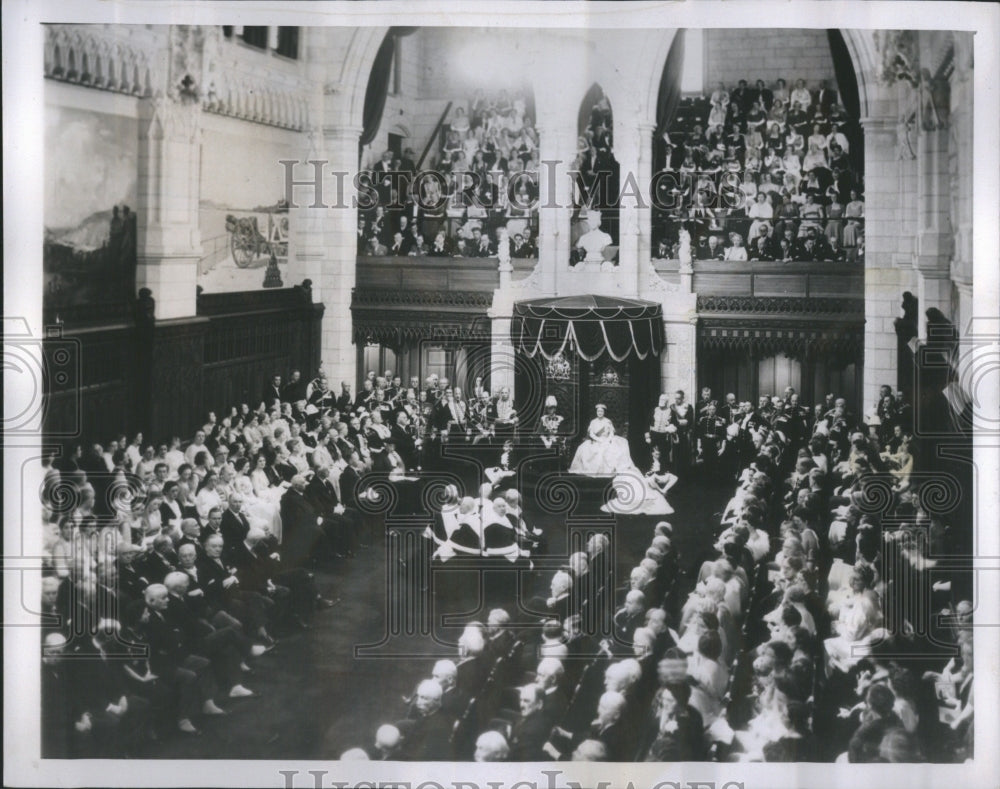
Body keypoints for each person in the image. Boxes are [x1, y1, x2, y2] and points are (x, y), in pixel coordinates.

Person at [569, 404, 634, 476]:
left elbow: (611, 433)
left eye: (601, 411)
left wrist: (607, 440)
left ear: (604, 412)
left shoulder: (608, 421)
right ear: (596, 412)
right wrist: (598, 439)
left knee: (611, 450)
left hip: (606, 440)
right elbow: (591, 434)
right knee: (583, 448)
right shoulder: (593, 422)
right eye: (598, 411)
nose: (600, 413)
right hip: (596, 440)